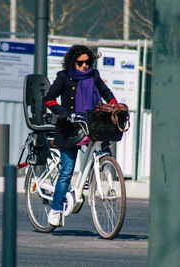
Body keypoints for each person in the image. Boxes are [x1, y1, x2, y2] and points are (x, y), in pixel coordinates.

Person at [43, 44, 118, 226]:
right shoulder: (64, 77)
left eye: (87, 62)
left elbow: (106, 93)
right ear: (72, 62)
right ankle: (55, 209)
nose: (85, 66)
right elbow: (49, 98)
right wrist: (61, 112)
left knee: (104, 148)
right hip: (69, 129)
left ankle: (109, 184)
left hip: (90, 124)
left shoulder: (94, 75)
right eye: (80, 62)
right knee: (67, 172)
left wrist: (116, 106)